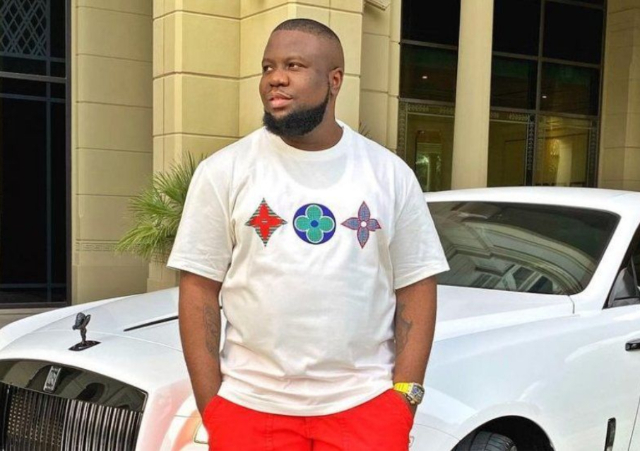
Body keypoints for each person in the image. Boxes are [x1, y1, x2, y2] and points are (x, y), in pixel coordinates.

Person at [167, 18, 449, 451]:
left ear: (334, 80)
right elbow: (199, 288)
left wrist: (403, 401)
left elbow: (416, 285)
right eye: (268, 67)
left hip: (365, 408)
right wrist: (215, 410)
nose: (275, 78)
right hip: (249, 408)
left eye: (293, 65)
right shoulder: (224, 170)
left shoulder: (388, 174)